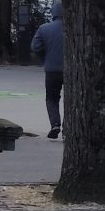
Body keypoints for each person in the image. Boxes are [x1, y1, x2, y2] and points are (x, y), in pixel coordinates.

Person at [30, 8, 65, 139]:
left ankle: (55, 124)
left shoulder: (44, 28)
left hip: (52, 70)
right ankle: (69, 126)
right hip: (71, 70)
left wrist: (45, 57)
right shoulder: (73, 28)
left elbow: (35, 47)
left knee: (51, 98)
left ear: (53, 13)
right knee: (71, 98)